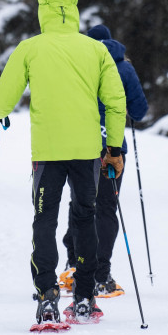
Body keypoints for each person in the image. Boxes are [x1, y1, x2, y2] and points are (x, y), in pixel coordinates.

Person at [0, 0, 126, 325]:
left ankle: (47, 294)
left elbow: (1, 102)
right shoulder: (96, 50)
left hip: (47, 152)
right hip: (87, 151)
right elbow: (116, 101)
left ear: (43, 10)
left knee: (44, 220)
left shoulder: (30, 48)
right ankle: (84, 295)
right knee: (85, 218)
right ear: (74, 9)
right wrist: (115, 148)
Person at [61, 24, 148, 298]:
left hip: (80, 145)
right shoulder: (123, 67)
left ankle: (75, 263)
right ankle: (101, 274)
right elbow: (140, 110)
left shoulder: (78, 63)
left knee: (80, 203)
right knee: (106, 208)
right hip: (112, 147)